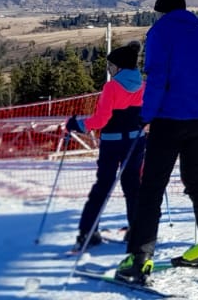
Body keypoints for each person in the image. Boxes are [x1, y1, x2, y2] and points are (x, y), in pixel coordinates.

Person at [116, 0, 198, 285]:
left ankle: (140, 258)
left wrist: (146, 116)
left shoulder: (159, 33)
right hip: (197, 120)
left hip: (167, 120)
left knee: (152, 187)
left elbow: (157, 79)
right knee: (196, 181)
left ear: (161, 11)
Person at [65, 42, 146, 253]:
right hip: (136, 141)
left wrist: (78, 124)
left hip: (112, 142)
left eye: (110, 66)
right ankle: (137, 232)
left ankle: (88, 233)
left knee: (103, 186)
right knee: (133, 187)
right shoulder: (143, 85)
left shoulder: (111, 87)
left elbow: (101, 120)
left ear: (118, 67)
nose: (109, 70)